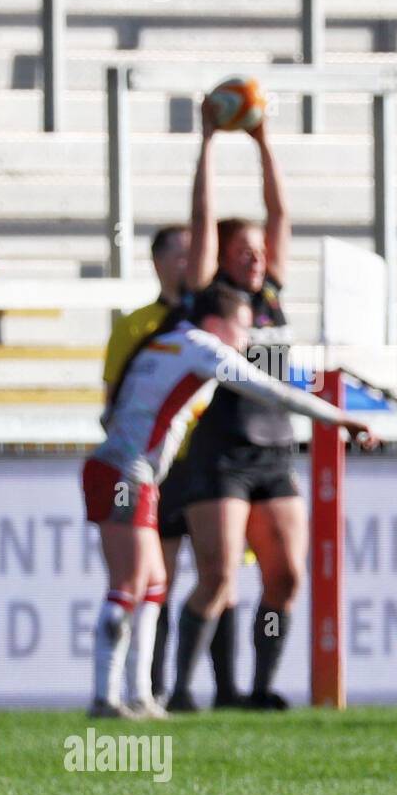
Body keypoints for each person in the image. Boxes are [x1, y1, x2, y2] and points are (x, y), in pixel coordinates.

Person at [83, 283, 377, 719]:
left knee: (153, 583)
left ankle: (139, 695)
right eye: (243, 327)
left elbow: (112, 413)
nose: (247, 339)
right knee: (130, 584)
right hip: (125, 474)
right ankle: (105, 697)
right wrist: (342, 419)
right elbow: (272, 391)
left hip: (121, 470)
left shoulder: (163, 342)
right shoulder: (203, 348)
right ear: (217, 323)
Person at [170, 99, 299, 712]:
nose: (255, 257)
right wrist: (207, 142)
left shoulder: (271, 294)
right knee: (219, 579)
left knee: (285, 580)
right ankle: (182, 690)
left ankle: (257, 687)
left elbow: (280, 211)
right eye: (243, 249)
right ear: (222, 254)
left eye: (258, 250)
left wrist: (264, 140)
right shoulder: (206, 296)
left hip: (276, 449)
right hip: (221, 453)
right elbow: (202, 214)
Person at [100, 225, 232, 711]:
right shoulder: (137, 327)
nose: (188, 264)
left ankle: (216, 688)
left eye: (194, 255)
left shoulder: (215, 327)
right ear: (157, 262)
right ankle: (143, 686)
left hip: (202, 465)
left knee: (217, 573)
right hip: (151, 467)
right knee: (154, 577)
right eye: (180, 255)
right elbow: (113, 402)